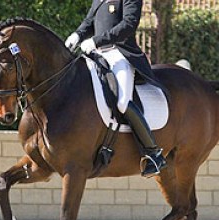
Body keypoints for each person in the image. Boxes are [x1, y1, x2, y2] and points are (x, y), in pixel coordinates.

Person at [65, 0, 167, 177]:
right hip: (96, 55)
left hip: (119, 54)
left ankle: (153, 153)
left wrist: (97, 40)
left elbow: (128, 25)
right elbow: (89, 22)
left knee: (122, 102)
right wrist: (77, 35)